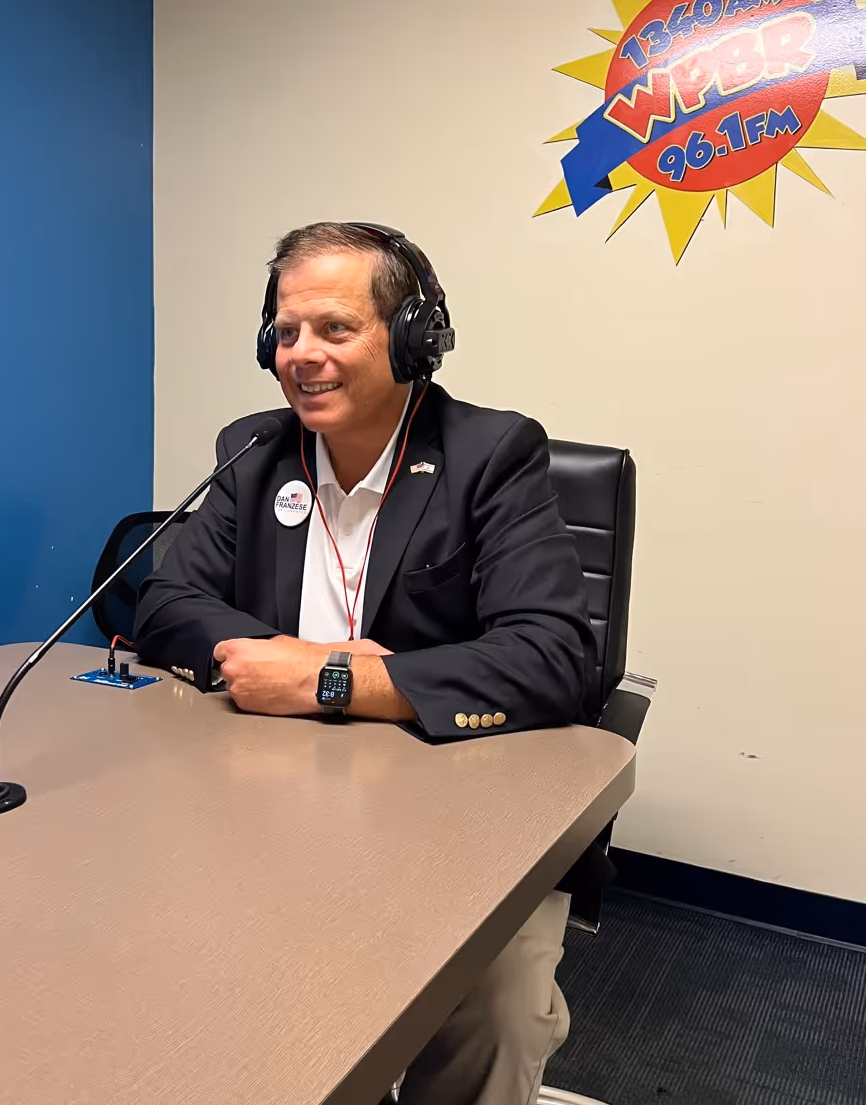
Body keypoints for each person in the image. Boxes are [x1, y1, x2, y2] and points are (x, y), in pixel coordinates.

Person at [134, 221, 598, 1105]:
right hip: (265, 799)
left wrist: (332, 680)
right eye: (285, 331)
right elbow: (165, 604)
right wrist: (289, 656)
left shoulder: (490, 455)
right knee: (173, 958)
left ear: (416, 336)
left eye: (335, 329)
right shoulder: (252, 451)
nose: (301, 354)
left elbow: (552, 657)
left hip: (460, 810)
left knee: (492, 1009)